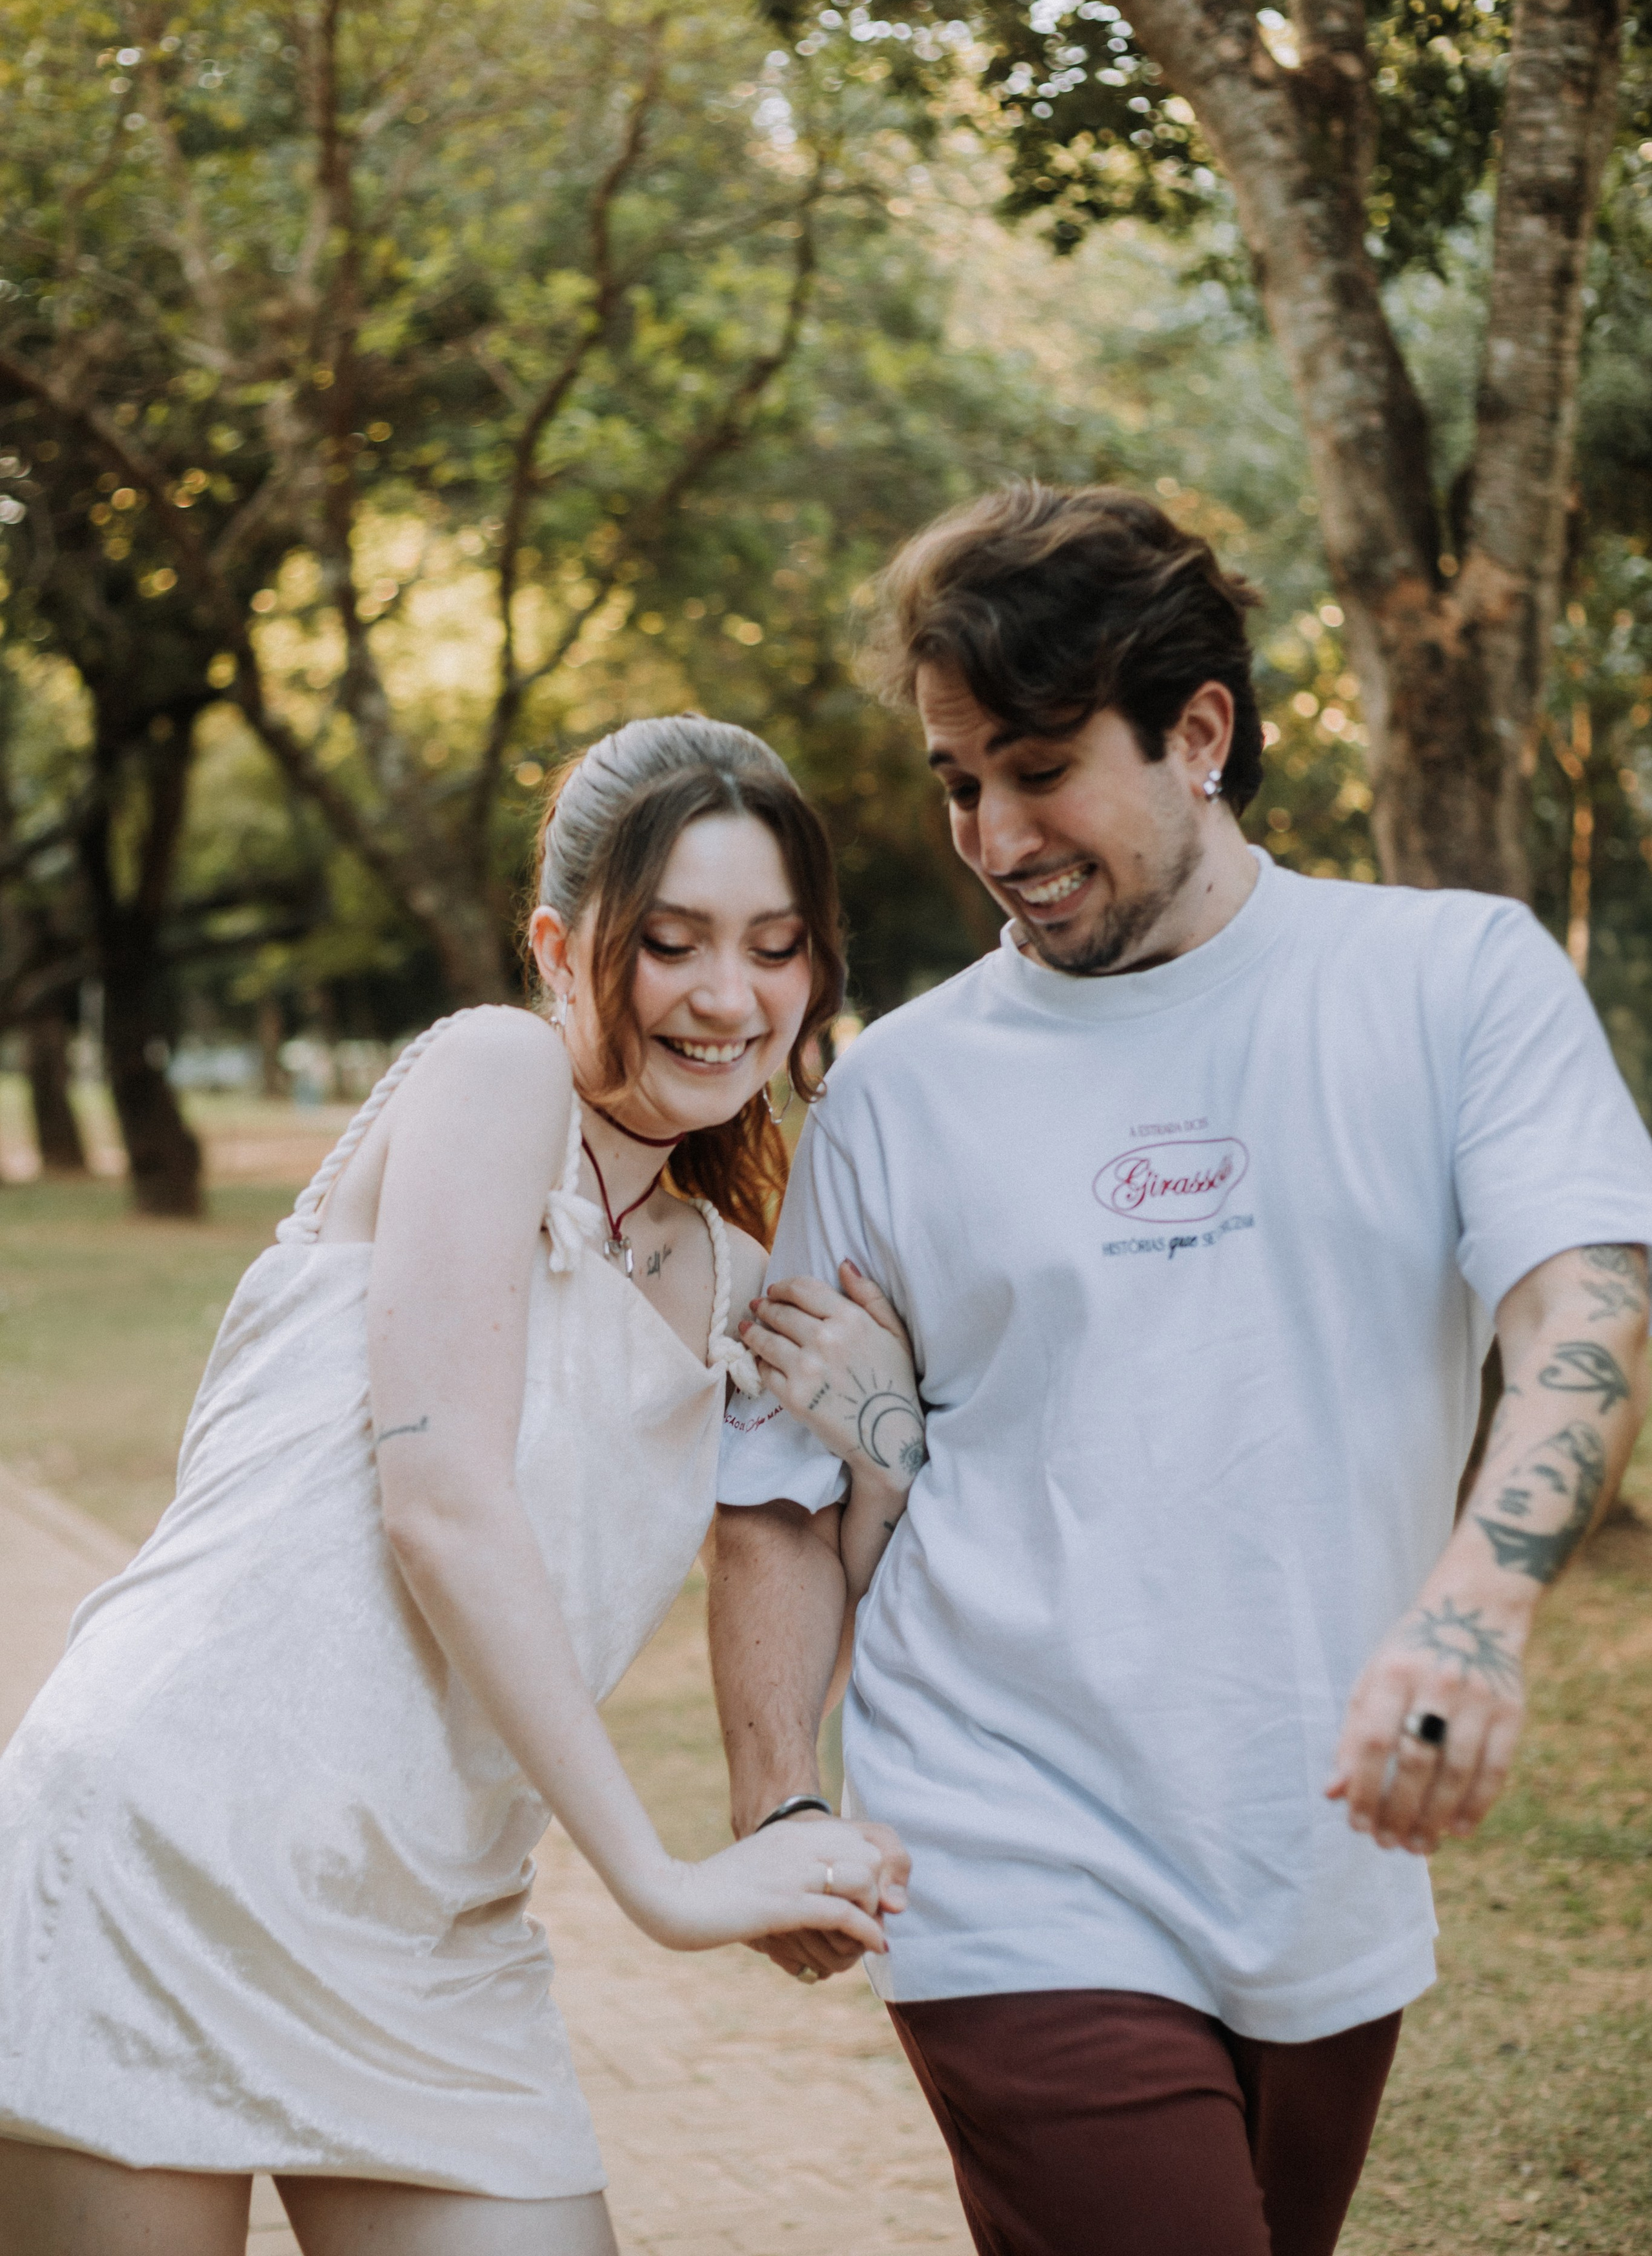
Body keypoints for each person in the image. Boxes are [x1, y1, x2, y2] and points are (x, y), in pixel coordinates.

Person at [710, 487, 1652, 2256]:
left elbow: (1584, 1308)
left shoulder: (1451, 982)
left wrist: (1476, 1608)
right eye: (953, 779)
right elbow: (776, 1487)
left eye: (1037, 766)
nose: (990, 832)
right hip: (996, 1835)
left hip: (1319, 1851)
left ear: (1199, 732)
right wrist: (780, 1797)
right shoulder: (902, 1092)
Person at [0, 714, 909, 2256]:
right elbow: (441, 1501)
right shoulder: (491, 1076)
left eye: (774, 946)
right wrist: (667, 1886)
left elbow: (803, 1554)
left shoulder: (736, 1285)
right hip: (169, 1847)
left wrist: (883, 1450)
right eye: (670, 941)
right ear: (562, 944)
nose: (725, 995)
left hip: (434, 1930)